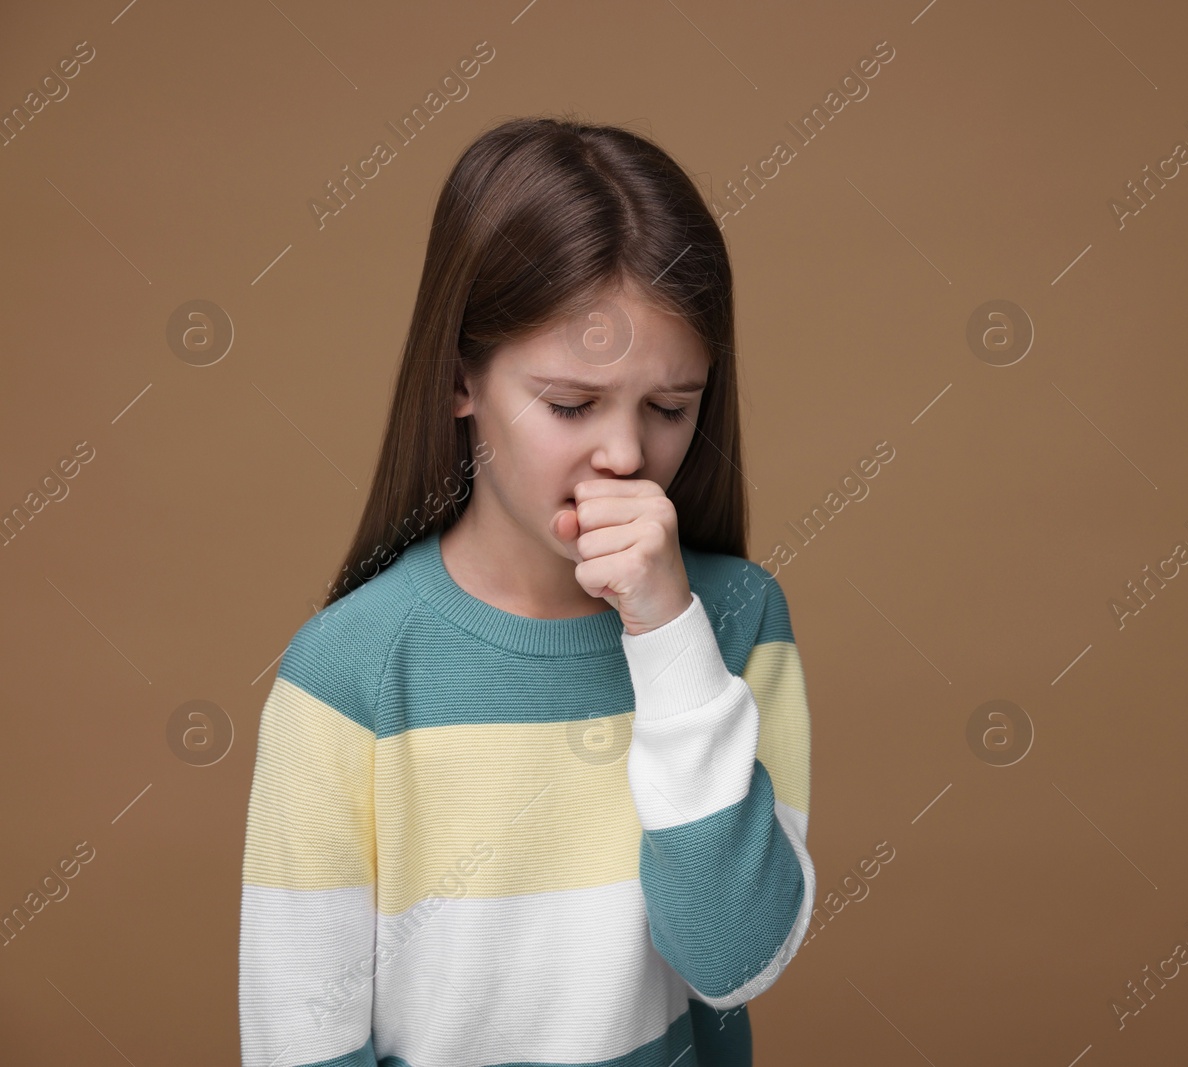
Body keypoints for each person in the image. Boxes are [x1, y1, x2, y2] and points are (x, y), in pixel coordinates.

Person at [239, 115, 816, 1067]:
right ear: (462, 376)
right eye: (571, 405)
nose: (627, 454)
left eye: (670, 408)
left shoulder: (735, 622)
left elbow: (732, 956)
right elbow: (300, 1042)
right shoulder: (347, 671)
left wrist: (669, 636)